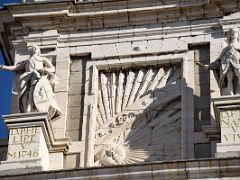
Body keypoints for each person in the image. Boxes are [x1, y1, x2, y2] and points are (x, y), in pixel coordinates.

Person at [0, 45, 61, 119]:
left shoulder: (42, 59)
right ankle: (28, 108)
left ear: (38, 51)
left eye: (36, 48)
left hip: (39, 77)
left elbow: (52, 68)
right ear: (31, 50)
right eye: (33, 48)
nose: (35, 49)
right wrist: (3, 67)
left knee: (34, 91)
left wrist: (46, 69)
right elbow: (15, 68)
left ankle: (30, 108)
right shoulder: (27, 61)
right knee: (27, 93)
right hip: (28, 77)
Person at [197, 28, 240, 95]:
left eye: (235, 33)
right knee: (229, 79)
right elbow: (218, 60)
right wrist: (209, 66)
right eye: (232, 33)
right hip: (227, 65)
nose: (233, 34)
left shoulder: (238, 46)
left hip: (237, 64)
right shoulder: (226, 48)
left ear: (238, 34)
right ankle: (230, 94)